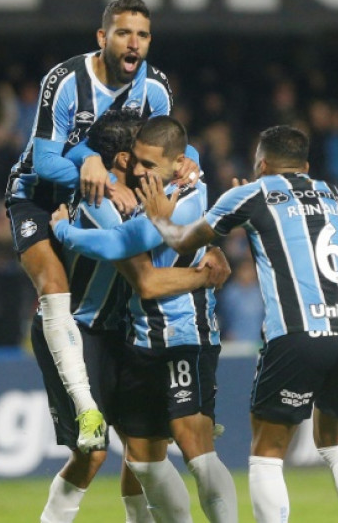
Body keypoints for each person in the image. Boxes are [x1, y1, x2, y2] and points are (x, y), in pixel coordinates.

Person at [138, 125, 338, 522]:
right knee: (337, 444)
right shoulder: (332, 195)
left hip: (300, 333)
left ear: (261, 164)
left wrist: (161, 219)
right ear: (306, 165)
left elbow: (182, 241)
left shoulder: (249, 194)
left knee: (266, 455)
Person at [35, 110, 228, 523]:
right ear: (122, 160)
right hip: (90, 331)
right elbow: (140, 272)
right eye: (137, 160)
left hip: (154, 332)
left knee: (165, 449)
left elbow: (156, 236)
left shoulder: (177, 187)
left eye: (150, 162)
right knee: (114, 455)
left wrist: (207, 253)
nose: (143, 169)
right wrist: (200, 274)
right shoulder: (100, 200)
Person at [4, 0, 174, 455]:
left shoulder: (154, 89)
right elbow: (42, 161)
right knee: (55, 289)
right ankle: (87, 410)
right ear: (103, 38)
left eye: (141, 35)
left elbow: (172, 148)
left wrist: (192, 165)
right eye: (123, 33)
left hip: (102, 196)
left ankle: (172, 401)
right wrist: (89, 168)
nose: (132, 43)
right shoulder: (64, 81)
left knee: (127, 284)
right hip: (38, 198)